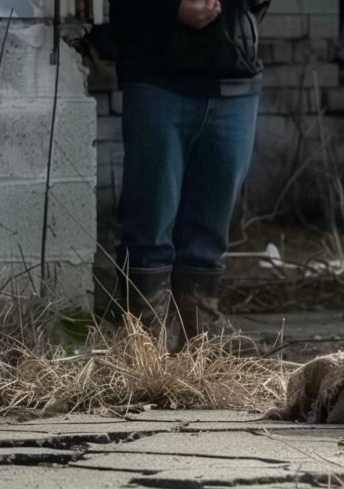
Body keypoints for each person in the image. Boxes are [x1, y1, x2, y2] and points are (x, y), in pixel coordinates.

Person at [109, 0, 269, 351]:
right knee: (149, 221)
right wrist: (169, 9)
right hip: (157, 76)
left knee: (210, 232)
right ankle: (144, 346)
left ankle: (199, 342)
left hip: (234, 78)